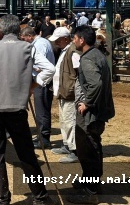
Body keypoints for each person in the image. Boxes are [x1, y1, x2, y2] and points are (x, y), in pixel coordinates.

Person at [0, 14, 56, 205]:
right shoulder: (28, 47)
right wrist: (34, 85)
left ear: (1, 30)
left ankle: (2, 199)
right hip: (17, 109)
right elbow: (50, 69)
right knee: (26, 153)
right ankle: (40, 197)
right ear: (18, 30)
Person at [68, 25, 115, 204]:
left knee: (87, 148)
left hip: (91, 113)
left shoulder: (87, 60)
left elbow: (95, 84)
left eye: (75, 38)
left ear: (81, 40)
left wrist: (86, 103)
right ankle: (90, 180)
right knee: (93, 146)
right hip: (100, 110)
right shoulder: (97, 55)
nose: (73, 41)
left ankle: (90, 191)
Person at [48, 27, 81, 163]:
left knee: (70, 121)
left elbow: (79, 72)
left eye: (58, 40)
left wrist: (73, 89)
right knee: (64, 120)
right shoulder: (66, 50)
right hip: (63, 92)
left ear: (65, 39)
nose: (56, 43)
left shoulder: (73, 52)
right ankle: (67, 144)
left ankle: (75, 150)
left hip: (69, 93)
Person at [20, 27, 56, 150]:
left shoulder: (39, 45)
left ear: (30, 36)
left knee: (42, 111)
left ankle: (44, 138)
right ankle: (41, 135)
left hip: (42, 82)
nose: (24, 42)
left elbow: (41, 65)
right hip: (42, 81)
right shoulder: (41, 43)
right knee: (41, 110)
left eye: (24, 39)